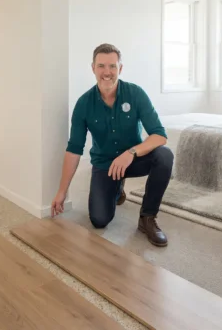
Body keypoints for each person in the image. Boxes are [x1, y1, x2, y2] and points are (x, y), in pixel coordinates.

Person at [50, 43, 174, 246]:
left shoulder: (135, 94)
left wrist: (131, 153)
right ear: (93, 68)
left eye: (112, 66)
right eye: (101, 66)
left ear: (120, 68)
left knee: (164, 155)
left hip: (133, 159)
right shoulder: (83, 104)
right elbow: (74, 149)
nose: (107, 72)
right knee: (99, 220)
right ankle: (117, 187)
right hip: (105, 164)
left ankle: (147, 218)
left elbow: (159, 136)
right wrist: (62, 192)